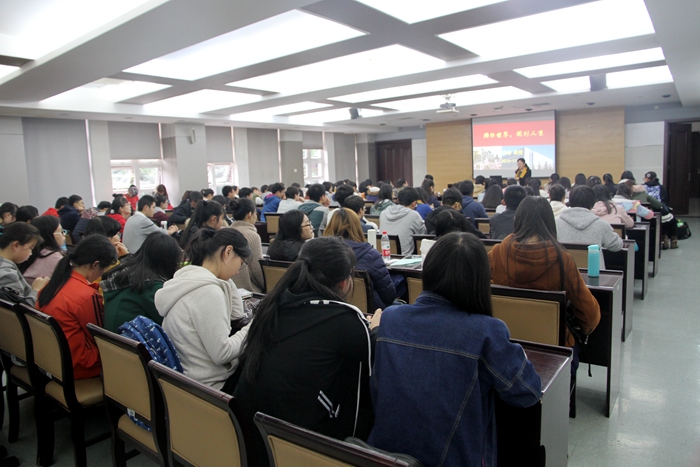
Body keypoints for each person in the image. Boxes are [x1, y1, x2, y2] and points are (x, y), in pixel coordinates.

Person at [369, 232, 541, 467]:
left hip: (385, 458)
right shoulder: (487, 331)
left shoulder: (390, 318)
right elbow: (528, 392)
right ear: (480, 280)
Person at [235, 237, 377, 464]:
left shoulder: (272, 303)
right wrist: (375, 332)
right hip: (305, 447)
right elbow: (361, 400)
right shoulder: (347, 321)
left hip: (249, 438)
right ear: (343, 282)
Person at [488, 196, 600, 375]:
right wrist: (584, 329)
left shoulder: (497, 253)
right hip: (554, 350)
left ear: (517, 220)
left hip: (505, 344)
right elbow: (589, 313)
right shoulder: (562, 260)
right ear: (550, 222)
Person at [156, 228, 252, 393]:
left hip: (184, 379)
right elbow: (223, 353)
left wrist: (224, 279)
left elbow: (237, 315)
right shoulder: (208, 292)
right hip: (208, 388)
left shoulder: (187, 279)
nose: (238, 271)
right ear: (228, 252)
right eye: (241, 263)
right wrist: (253, 326)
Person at [37, 235, 118, 379]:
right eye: (104, 269)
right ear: (95, 265)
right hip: (77, 364)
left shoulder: (52, 284)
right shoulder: (86, 296)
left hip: (50, 358)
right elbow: (98, 335)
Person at [102, 232, 181, 332]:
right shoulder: (150, 286)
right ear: (169, 261)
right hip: (130, 339)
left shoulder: (127, 273)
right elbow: (173, 323)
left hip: (115, 337)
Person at [324, 208, 397, 309]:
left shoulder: (320, 255)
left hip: (333, 310)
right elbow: (389, 296)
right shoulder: (370, 255)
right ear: (357, 227)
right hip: (373, 313)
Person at [556, 185, 623, 268]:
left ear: (570, 200)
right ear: (593, 203)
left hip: (563, 272)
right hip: (593, 273)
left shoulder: (556, 223)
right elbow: (617, 246)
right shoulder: (601, 225)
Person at [0, 222, 49, 306]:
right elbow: (22, 310)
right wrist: (36, 289)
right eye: (30, 248)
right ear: (16, 245)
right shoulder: (8, 275)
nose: (31, 253)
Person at [229, 198, 265, 293]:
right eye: (255, 213)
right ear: (250, 214)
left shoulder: (226, 232)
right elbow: (257, 269)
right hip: (248, 290)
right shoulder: (252, 236)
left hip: (229, 287)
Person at [379, 187, 426, 255]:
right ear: (414, 203)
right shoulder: (413, 215)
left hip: (384, 255)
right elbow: (423, 235)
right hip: (405, 258)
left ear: (398, 200)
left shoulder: (383, 213)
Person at [20, 216, 65, 284]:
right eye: (61, 231)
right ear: (49, 235)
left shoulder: (26, 251)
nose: (64, 234)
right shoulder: (56, 258)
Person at [644, 171, 679, 249]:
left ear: (647, 179)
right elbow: (665, 200)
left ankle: (664, 238)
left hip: (648, 212)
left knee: (662, 220)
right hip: (661, 212)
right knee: (672, 220)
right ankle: (672, 241)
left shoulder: (643, 187)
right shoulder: (661, 187)